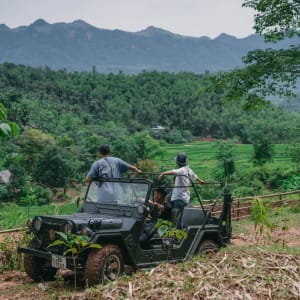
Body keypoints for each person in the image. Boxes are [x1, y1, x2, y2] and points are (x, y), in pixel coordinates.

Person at [158, 152, 204, 228]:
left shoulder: (181, 170)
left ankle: (179, 235)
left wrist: (163, 173)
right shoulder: (189, 170)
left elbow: (173, 171)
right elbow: (195, 177)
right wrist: (200, 181)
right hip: (184, 198)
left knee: (178, 219)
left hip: (179, 198)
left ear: (178, 162)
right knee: (179, 216)